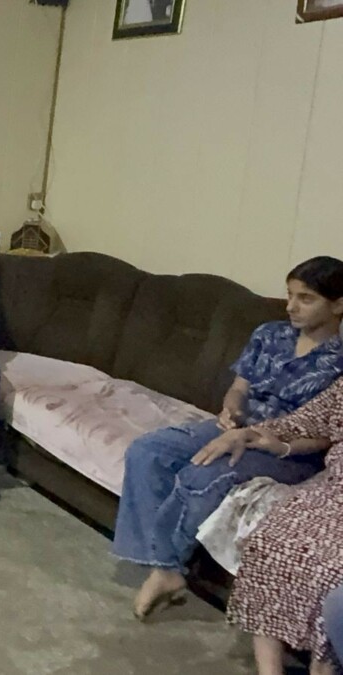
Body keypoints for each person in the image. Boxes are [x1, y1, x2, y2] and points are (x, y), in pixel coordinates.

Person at [111, 256, 343, 619]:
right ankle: (162, 565)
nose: (291, 306)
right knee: (148, 450)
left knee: (203, 474)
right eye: (289, 295)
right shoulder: (270, 334)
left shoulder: (338, 360)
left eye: (305, 298)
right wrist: (230, 409)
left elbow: (327, 434)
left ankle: (165, 568)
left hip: (288, 449)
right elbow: (238, 388)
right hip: (238, 427)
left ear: (338, 304)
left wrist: (266, 441)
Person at [215, 377, 343, 675]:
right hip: (333, 487)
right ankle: (269, 670)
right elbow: (308, 419)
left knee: (331, 569)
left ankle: (323, 667)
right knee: (270, 541)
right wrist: (251, 432)